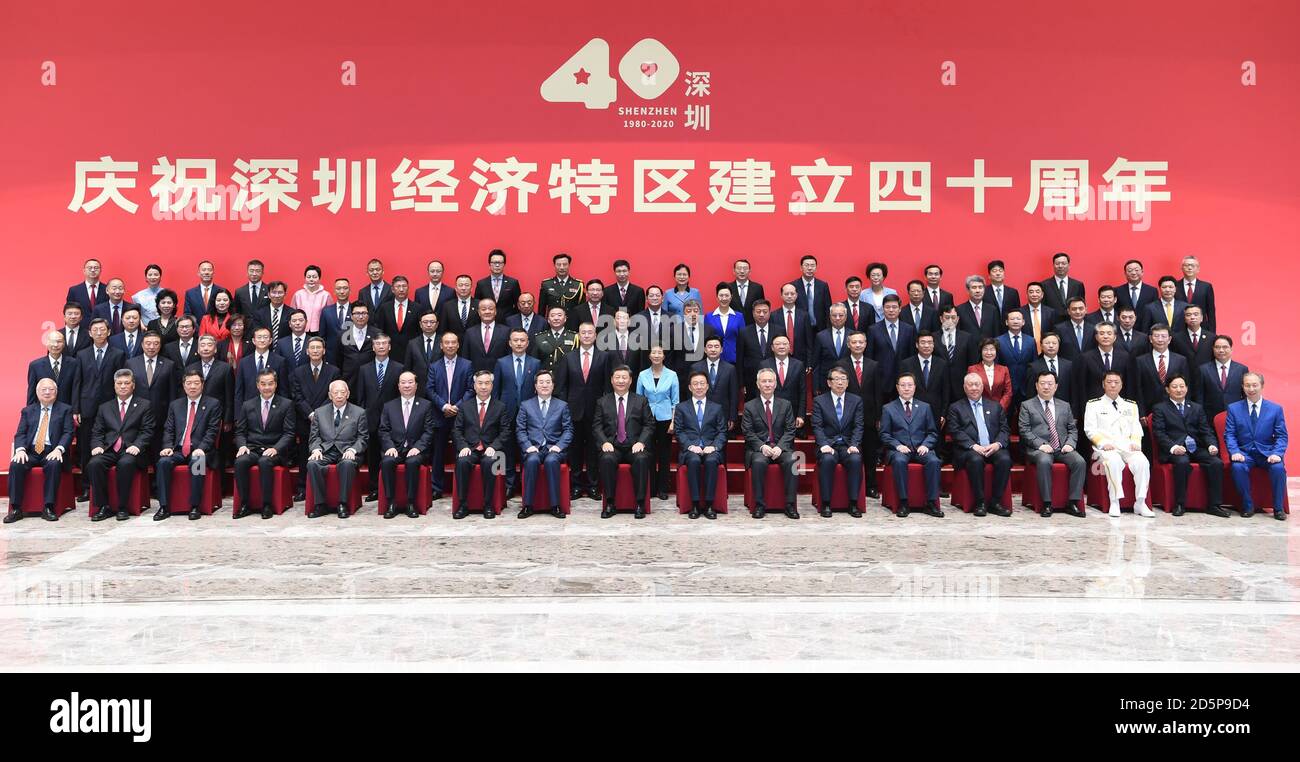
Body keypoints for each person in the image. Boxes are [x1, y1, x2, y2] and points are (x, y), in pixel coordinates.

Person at [1152, 375, 1227, 517]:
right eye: (1174, 387)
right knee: (1182, 461)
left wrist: (1211, 444)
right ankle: (1180, 504)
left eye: (1182, 386)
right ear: (1168, 390)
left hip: (1195, 448)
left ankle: (1214, 505)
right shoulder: (1160, 408)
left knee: (1216, 462)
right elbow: (1159, 433)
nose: (1179, 390)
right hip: (1174, 450)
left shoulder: (1196, 408)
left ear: (1186, 388)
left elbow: (1206, 430)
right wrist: (1173, 447)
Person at [153, 369, 222, 521]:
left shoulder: (213, 404)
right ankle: (164, 506)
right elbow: (169, 429)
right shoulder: (175, 405)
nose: (192, 387)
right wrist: (167, 447)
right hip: (178, 450)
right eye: (189, 383)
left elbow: (212, 431)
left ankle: (195, 506)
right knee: (163, 462)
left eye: (196, 383)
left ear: (202, 385)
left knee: (198, 462)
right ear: (184, 386)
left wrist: (201, 448)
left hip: (202, 450)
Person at [1083, 371, 1155, 517]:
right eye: (1109, 382)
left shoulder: (1131, 405)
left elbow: (1136, 427)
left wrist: (1135, 442)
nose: (1113, 385)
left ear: (1122, 385)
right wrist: (1102, 443)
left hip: (1127, 445)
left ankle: (1140, 502)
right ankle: (1115, 501)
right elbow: (1089, 429)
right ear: (1103, 384)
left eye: (1116, 382)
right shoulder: (1093, 405)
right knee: (1114, 462)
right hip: (1106, 447)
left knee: (1142, 462)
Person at [86, 370, 155, 522]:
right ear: (114, 385)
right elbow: (97, 431)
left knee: (126, 463)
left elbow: (147, 431)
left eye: (126, 383)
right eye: (119, 383)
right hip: (110, 449)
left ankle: (123, 507)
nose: (123, 386)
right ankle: (103, 507)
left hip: (131, 449)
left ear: (133, 385)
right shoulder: (105, 407)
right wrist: (97, 445)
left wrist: (138, 445)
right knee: (94, 463)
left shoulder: (144, 405)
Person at [1019, 371, 1086, 518]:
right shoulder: (1027, 405)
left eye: (1050, 384)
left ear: (1056, 386)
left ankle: (1073, 502)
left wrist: (1070, 443)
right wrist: (1040, 444)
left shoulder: (1065, 405)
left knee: (1080, 462)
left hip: (1062, 447)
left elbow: (1072, 429)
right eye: (1042, 383)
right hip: (1039, 449)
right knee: (1044, 460)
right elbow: (1024, 430)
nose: (1046, 387)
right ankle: (1047, 503)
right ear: (1036, 386)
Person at [5, 378, 74, 523]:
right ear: (37, 392)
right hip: (31, 451)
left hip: (52, 450)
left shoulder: (65, 409)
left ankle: (48, 507)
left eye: (51, 389)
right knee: (16, 464)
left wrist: (59, 449)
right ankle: (16, 508)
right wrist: (20, 450)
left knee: (54, 464)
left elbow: (68, 432)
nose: (47, 392)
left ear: (56, 392)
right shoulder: (28, 411)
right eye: (44, 389)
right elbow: (21, 433)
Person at [592, 366, 655, 518]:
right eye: (617, 377)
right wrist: (604, 442)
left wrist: (641, 442)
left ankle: (640, 504)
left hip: (634, 445)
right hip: (613, 446)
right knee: (606, 459)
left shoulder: (641, 401)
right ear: (612, 380)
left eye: (624, 377)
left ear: (631, 380)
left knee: (641, 459)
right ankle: (610, 503)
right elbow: (597, 426)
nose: (621, 380)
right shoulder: (602, 401)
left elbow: (649, 425)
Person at [947, 373, 1013, 517]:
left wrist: (997, 444)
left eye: (977, 384)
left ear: (982, 387)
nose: (974, 388)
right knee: (975, 460)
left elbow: (1005, 429)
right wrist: (973, 446)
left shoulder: (995, 406)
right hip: (969, 450)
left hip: (992, 447)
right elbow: (955, 431)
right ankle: (980, 502)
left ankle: (995, 502)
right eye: (970, 385)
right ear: (964, 387)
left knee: (1005, 459)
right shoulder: (956, 408)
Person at [233, 368, 296, 519]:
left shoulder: (286, 404)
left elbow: (289, 433)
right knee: (240, 462)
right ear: (257, 385)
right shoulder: (248, 405)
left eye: (270, 383)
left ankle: (267, 505)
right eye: (263, 384)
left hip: (274, 450)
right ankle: (245, 504)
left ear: (275, 384)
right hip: (253, 447)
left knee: (265, 462)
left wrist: (276, 449)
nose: (267, 387)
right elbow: (240, 431)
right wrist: (242, 446)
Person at [1224, 372, 1287, 520]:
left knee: (1278, 468)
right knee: (1237, 467)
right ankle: (1247, 505)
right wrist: (1234, 451)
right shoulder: (1234, 408)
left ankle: (1278, 508)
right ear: (1242, 386)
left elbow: (1281, 436)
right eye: (1247, 385)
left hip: (1267, 453)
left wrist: (1277, 453)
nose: (1251, 388)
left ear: (1262, 386)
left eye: (1255, 385)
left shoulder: (1275, 409)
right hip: (1245, 453)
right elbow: (1230, 434)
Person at [74, 319, 125, 498]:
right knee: (87, 448)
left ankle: (109, 485)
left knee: (109, 444)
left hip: (110, 407)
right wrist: (76, 409)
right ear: (89, 333)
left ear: (109, 332)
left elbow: (121, 383)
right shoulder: (82, 354)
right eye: (94, 329)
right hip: (87, 407)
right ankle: (88, 487)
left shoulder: (118, 354)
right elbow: (77, 383)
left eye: (102, 330)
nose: (98, 333)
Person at [880, 373, 942, 517]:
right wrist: (897, 445)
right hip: (900, 450)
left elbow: (933, 432)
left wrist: (926, 445)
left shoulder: (925, 407)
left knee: (933, 461)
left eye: (909, 385)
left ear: (914, 387)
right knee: (900, 461)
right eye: (903, 385)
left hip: (921, 448)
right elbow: (884, 434)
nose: (906, 388)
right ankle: (903, 502)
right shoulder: (888, 408)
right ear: (897, 388)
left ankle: (931, 503)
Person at [452, 371, 511, 519]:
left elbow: (505, 431)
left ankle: (489, 505)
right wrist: (463, 446)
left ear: (492, 385)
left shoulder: (500, 406)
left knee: (491, 462)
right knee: (462, 461)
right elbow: (456, 430)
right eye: (480, 383)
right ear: (474, 385)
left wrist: (494, 446)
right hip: (470, 449)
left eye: (487, 383)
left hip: (492, 449)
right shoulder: (465, 406)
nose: (483, 387)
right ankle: (463, 505)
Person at [742, 368, 799, 519]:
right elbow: (748, 432)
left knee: (793, 460)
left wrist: (780, 447)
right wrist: (762, 446)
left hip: (781, 447)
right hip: (760, 448)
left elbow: (790, 430)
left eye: (770, 381)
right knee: (759, 462)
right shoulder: (749, 406)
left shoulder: (785, 405)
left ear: (775, 384)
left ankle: (790, 504)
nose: (767, 384)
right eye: (764, 381)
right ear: (758, 384)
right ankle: (760, 505)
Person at [515, 369, 572, 519]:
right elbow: (520, 430)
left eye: (548, 382)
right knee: (532, 460)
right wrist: (527, 446)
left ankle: (555, 505)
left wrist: (559, 446)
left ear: (553, 385)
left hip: (554, 448)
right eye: (541, 382)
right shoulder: (526, 405)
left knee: (552, 461)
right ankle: (527, 505)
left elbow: (568, 430)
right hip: (533, 447)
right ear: (535, 386)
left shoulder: (562, 405)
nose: (544, 385)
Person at [306, 379, 367, 519]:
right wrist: (316, 449)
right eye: (336, 392)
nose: (339, 395)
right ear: (330, 395)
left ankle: (342, 503)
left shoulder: (359, 412)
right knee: (312, 464)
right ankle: (320, 504)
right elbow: (314, 436)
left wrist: (353, 450)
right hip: (326, 450)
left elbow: (363, 438)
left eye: (342, 392)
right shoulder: (319, 412)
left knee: (347, 464)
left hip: (348, 450)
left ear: (348, 394)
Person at [377, 371, 435, 519]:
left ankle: (411, 503)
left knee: (413, 462)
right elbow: (383, 430)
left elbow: (429, 431)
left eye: (410, 382)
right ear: (398, 386)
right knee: (387, 462)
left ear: (416, 385)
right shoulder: (389, 406)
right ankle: (391, 503)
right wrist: (389, 447)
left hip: (416, 449)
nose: (407, 385)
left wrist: (418, 447)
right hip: (395, 449)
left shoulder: (425, 405)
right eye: (403, 382)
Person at [811, 366, 865, 518]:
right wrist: (824, 444)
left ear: (848, 383)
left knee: (855, 459)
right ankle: (826, 503)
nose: (840, 383)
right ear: (829, 383)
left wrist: (854, 444)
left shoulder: (856, 401)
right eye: (836, 379)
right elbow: (817, 426)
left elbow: (858, 425)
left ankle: (853, 503)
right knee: (827, 460)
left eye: (843, 379)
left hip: (848, 445)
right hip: (828, 444)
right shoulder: (820, 401)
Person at [356, 334, 403, 502]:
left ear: (389, 347)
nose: (381, 346)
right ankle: (375, 488)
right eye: (378, 344)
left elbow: (401, 396)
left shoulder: (399, 368)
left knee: (390, 455)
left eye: (384, 343)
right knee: (373, 457)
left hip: (393, 420)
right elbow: (361, 397)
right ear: (373, 347)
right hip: (371, 419)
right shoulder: (364, 369)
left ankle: (392, 489)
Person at [492, 329, 539, 496]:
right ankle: (508, 485)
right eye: (515, 340)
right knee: (506, 449)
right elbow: (495, 390)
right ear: (510, 343)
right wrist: (496, 412)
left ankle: (527, 484)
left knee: (527, 448)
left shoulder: (535, 363)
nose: (519, 343)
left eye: (522, 340)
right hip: (506, 412)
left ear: (527, 343)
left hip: (529, 414)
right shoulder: (501, 362)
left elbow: (538, 390)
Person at [674, 371, 726, 519]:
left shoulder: (716, 408)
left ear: (707, 386)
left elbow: (722, 432)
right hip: (690, 449)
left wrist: (714, 446)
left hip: (711, 448)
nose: (699, 387)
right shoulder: (681, 408)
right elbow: (679, 431)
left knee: (711, 461)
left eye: (702, 383)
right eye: (695, 384)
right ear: (690, 387)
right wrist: (690, 446)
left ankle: (709, 505)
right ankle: (695, 504)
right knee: (694, 460)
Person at [427, 332, 473, 499]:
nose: (450, 345)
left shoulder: (467, 365)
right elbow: (430, 390)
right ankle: (436, 488)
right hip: (440, 415)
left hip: (460, 416)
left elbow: (470, 389)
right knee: (438, 453)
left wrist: (457, 406)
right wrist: (444, 406)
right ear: (441, 345)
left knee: (460, 452)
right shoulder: (434, 366)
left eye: (454, 342)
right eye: (447, 342)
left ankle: (459, 488)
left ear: (458, 345)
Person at [836, 331, 881, 497]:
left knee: (870, 453)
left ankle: (871, 486)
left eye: (861, 342)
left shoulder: (873, 365)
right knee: (851, 452)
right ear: (848, 344)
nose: (857, 345)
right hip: (848, 416)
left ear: (865, 344)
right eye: (854, 342)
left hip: (869, 416)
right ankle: (851, 488)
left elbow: (878, 392)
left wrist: (878, 416)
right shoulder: (840, 364)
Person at [637, 345, 679, 500]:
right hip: (647, 419)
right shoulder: (642, 375)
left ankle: (663, 488)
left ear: (664, 356)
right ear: (649, 356)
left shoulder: (672, 375)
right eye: (653, 352)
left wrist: (673, 422)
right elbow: (638, 400)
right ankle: (651, 487)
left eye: (659, 352)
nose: (656, 355)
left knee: (664, 454)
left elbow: (675, 401)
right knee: (649, 454)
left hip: (665, 418)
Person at [126, 332, 177, 454]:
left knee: (158, 454)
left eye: (156, 343)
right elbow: (126, 389)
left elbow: (172, 392)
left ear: (160, 346)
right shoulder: (131, 363)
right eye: (148, 343)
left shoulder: (169, 364)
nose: (151, 347)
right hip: (136, 415)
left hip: (160, 415)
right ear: (142, 345)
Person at [1132, 324, 1188, 417]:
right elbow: (1137, 389)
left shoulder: (1181, 360)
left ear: (1169, 339)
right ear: (1150, 338)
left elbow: (1185, 386)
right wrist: (1141, 413)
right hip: (1149, 411)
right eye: (1156, 336)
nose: (1160, 340)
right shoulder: (1140, 361)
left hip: (1175, 411)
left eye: (1163, 336)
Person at [1074, 321, 1133, 407]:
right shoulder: (1086, 358)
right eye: (1101, 333)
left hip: (1120, 405)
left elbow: (1129, 384)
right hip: (1094, 406)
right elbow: (1081, 386)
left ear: (1115, 337)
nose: (1105, 336)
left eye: (1109, 333)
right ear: (1096, 337)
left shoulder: (1125, 357)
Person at [374, 275, 427, 362]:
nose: (401, 289)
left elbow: (420, 333)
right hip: (389, 354)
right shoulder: (385, 308)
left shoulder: (417, 308)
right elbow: (381, 331)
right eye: (398, 286)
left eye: (404, 286)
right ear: (392, 289)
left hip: (411, 353)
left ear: (408, 288)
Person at [868, 295, 915, 394]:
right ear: (883, 309)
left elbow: (912, 355)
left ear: (900, 309)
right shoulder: (873, 329)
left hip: (903, 380)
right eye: (887, 307)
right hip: (881, 379)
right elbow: (869, 357)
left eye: (894, 307)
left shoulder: (909, 329)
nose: (891, 310)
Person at [691, 336, 739, 432]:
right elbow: (691, 394)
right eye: (710, 346)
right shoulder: (696, 367)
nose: (713, 349)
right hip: (700, 414)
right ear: (705, 349)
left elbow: (733, 395)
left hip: (723, 415)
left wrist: (732, 417)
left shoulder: (730, 369)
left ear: (721, 349)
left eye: (716, 346)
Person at [899, 331, 951, 419]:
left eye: (930, 343)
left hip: (936, 413)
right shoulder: (906, 364)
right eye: (923, 342)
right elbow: (902, 390)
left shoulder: (942, 364)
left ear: (933, 345)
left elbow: (946, 391)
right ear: (917, 345)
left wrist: (943, 414)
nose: (926, 346)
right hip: (913, 412)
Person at [1196, 335, 1248, 419]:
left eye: (1225, 347)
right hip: (1210, 418)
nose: (1221, 350)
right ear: (1213, 349)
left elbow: (1246, 395)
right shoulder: (1203, 369)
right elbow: (1199, 397)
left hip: (1236, 417)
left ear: (1231, 349)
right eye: (1217, 347)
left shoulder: (1242, 369)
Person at [760, 335, 806, 431]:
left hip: (792, 412)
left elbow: (802, 391)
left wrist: (801, 415)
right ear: (772, 348)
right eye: (778, 344)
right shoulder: (764, 364)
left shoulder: (799, 365)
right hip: (771, 411)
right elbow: (759, 390)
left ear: (789, 347)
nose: (781, 346)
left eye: (785, 344)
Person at [235, 327, 286, 412]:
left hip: (273, 410)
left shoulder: (280, 361)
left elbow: (283, 390)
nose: (262, 340)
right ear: (253, 341)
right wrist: (238, 416)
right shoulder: (244, 362)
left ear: (270, 341)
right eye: (259, 337)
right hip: (249, 410)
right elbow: (239, 391)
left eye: (265, 337)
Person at [737, 298, 781, 398]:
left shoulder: (779, 330)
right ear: (753, 313)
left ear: (769, 313)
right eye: (758, 311)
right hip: (751, 380)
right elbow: (740, 359)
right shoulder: (744, 332)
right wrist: (741, 383)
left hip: (774, 379)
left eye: (765, 312)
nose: (761, 314)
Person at [996, 310, 1037, 411]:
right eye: (1012, 319)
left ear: (1023, 322)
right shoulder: (998, 341)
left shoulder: (1031, 341)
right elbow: (996, 365)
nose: (1015, 321)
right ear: (1006, 322)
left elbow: (1034, 364)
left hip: (1025, 388)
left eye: (1018, 319)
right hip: (1006, 388)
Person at [28, 330, 80, 408]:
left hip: (66, 409)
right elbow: (31, 392)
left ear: (64, 344)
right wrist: (30, 412)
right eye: (52, 341)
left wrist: (75, 410)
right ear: (47, 343)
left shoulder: (73, 363)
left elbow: (76, 389)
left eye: (59, 341)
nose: (56, 345)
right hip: (44, 410)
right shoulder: (35, 365)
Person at [811, 303, 851, 391]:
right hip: (826, 383)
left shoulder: (852, 335)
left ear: (846, 317)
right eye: (834, 315)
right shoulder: (821, 336)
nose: (837, 318)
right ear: (830, 316)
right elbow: (816, 364)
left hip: (848, 383)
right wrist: (816, 387)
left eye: (841, 315)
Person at [464, 298, 510, 372]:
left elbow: (509, 356)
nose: (487, 312)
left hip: (499, 375)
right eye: (483, 309)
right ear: (479, 312)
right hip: (476, 377)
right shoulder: (470, 332)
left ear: (495, 312)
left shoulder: (506, 331)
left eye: (491, 309)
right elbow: (465, 358)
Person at [704, 282, 745, 365]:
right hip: (714, 359)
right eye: (721, 295)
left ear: (731, 297)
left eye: (727, 295)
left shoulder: (739, 316)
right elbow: (706, 339)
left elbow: (743, 339)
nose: (724, 298)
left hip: (734, 360)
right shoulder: (709, 317)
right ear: (717, 297)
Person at [337, 302, 377, 386]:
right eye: (357, 313)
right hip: (348, 379)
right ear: (351, 316)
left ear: (368, 315)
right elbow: (338, 358)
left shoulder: (376, 334)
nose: (361, 316)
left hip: (370, 379)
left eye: (364, 313)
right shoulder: (343, 334)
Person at [404, 312, 442, 397]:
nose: (428, 325)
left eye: (432, 322)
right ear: (420, 324)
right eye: (425, 322)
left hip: (439, 388)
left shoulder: (443, 342)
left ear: (437, 324)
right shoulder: (412, 343)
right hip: (419, 389)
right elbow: (408, 368)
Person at [1175, 254, 1217, 333]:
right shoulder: (1175, 286)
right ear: (1182, 268)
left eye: (1193, 266)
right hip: (1179, 329)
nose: (1189, 268)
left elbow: (1211, 312)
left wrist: (1212, 334)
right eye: (1186, 265)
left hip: (1201, 329)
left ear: (1198, 269)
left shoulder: (1206, 287)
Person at [935, 304, 978, 380]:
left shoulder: (967, 338)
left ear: (957, 319)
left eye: (953, 317)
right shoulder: (933, 338)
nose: (950, 320)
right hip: (939, 382)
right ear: (941, 319)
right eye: (947, 317)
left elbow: (972, 363)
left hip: (961, 383)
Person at [474, 248, 522, 316]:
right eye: (494, 263)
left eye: (500, 263)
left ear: (504, 265)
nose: (497, 265)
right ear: (489, 265)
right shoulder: (481, 284)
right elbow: (477, 304)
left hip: (507, 322)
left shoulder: (513, 283)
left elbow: (518, 305)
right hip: (487, 320)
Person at [775, 282, 813, 365]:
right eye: (786, 294)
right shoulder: (773, 315)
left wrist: (809, 362)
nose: (789, 296)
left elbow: (809, 340)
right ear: (781, 295)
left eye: (792, 294)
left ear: (796, 295)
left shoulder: (804, 315)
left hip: (800, 358)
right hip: (779, 358)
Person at [969, 338, 1011, 412]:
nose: (989, 353)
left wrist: (999, 408)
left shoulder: (1004, 369)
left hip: (999, 410)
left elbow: (1008, 392)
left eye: (992, 349)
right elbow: (970, 391)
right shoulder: (972, 369)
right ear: (981, 352)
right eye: (985, 349)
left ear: (996, 352)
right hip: (979, 410)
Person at [532, 306, 578, 372]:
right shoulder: (539, 338)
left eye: (559, 315)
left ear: (565, 318)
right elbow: (534, 362)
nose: (556, 318)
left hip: (567, 377)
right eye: (552, 315)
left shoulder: (574, 337)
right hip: (546, 378)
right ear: (548, 319)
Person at [289, 264, 332, 333]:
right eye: (308, 277)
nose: (311, 279)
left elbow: (330, 316)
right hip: (300, 331)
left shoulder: (326, 295)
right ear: (305, 278)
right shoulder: (298, 294)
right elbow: (291, 314)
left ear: (319, 278)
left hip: (320, 331)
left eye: (314, 277)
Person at [318, 277, 353, 359]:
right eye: (338, 288)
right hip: (330, 355)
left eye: (345, 288)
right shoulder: (326, 311)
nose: (342, 291)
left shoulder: (355, 310)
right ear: (334, 291)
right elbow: (322, 336)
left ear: (350, 291)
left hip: (351, 354)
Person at [1018, 282, 1057, 349]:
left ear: (1042, 295)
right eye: (1031, 292)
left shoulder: (1051, 312)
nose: (1034, 294)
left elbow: (1054, 333)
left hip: (1046, 350)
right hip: (1026, 349)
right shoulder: (1019, 312)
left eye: (1037, 292)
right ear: (1027, 295)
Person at [984, 259, 1020, 329]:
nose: (998, 273)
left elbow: (1017, 312)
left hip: (1009, 329)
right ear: (989, 275)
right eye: (994, 271)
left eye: (1000, 270)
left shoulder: (1013, 292)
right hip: (990, 329)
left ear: (1004, 274)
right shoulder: (984, 292)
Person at [726, 258, 765, 324]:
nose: (742, 271)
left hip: (752, 325)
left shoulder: (757, 288)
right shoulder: (728, 288)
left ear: (749, 271)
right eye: (739, 268)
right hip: (732, 324)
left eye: (745, 268)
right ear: (734, 271)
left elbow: (762, 307)